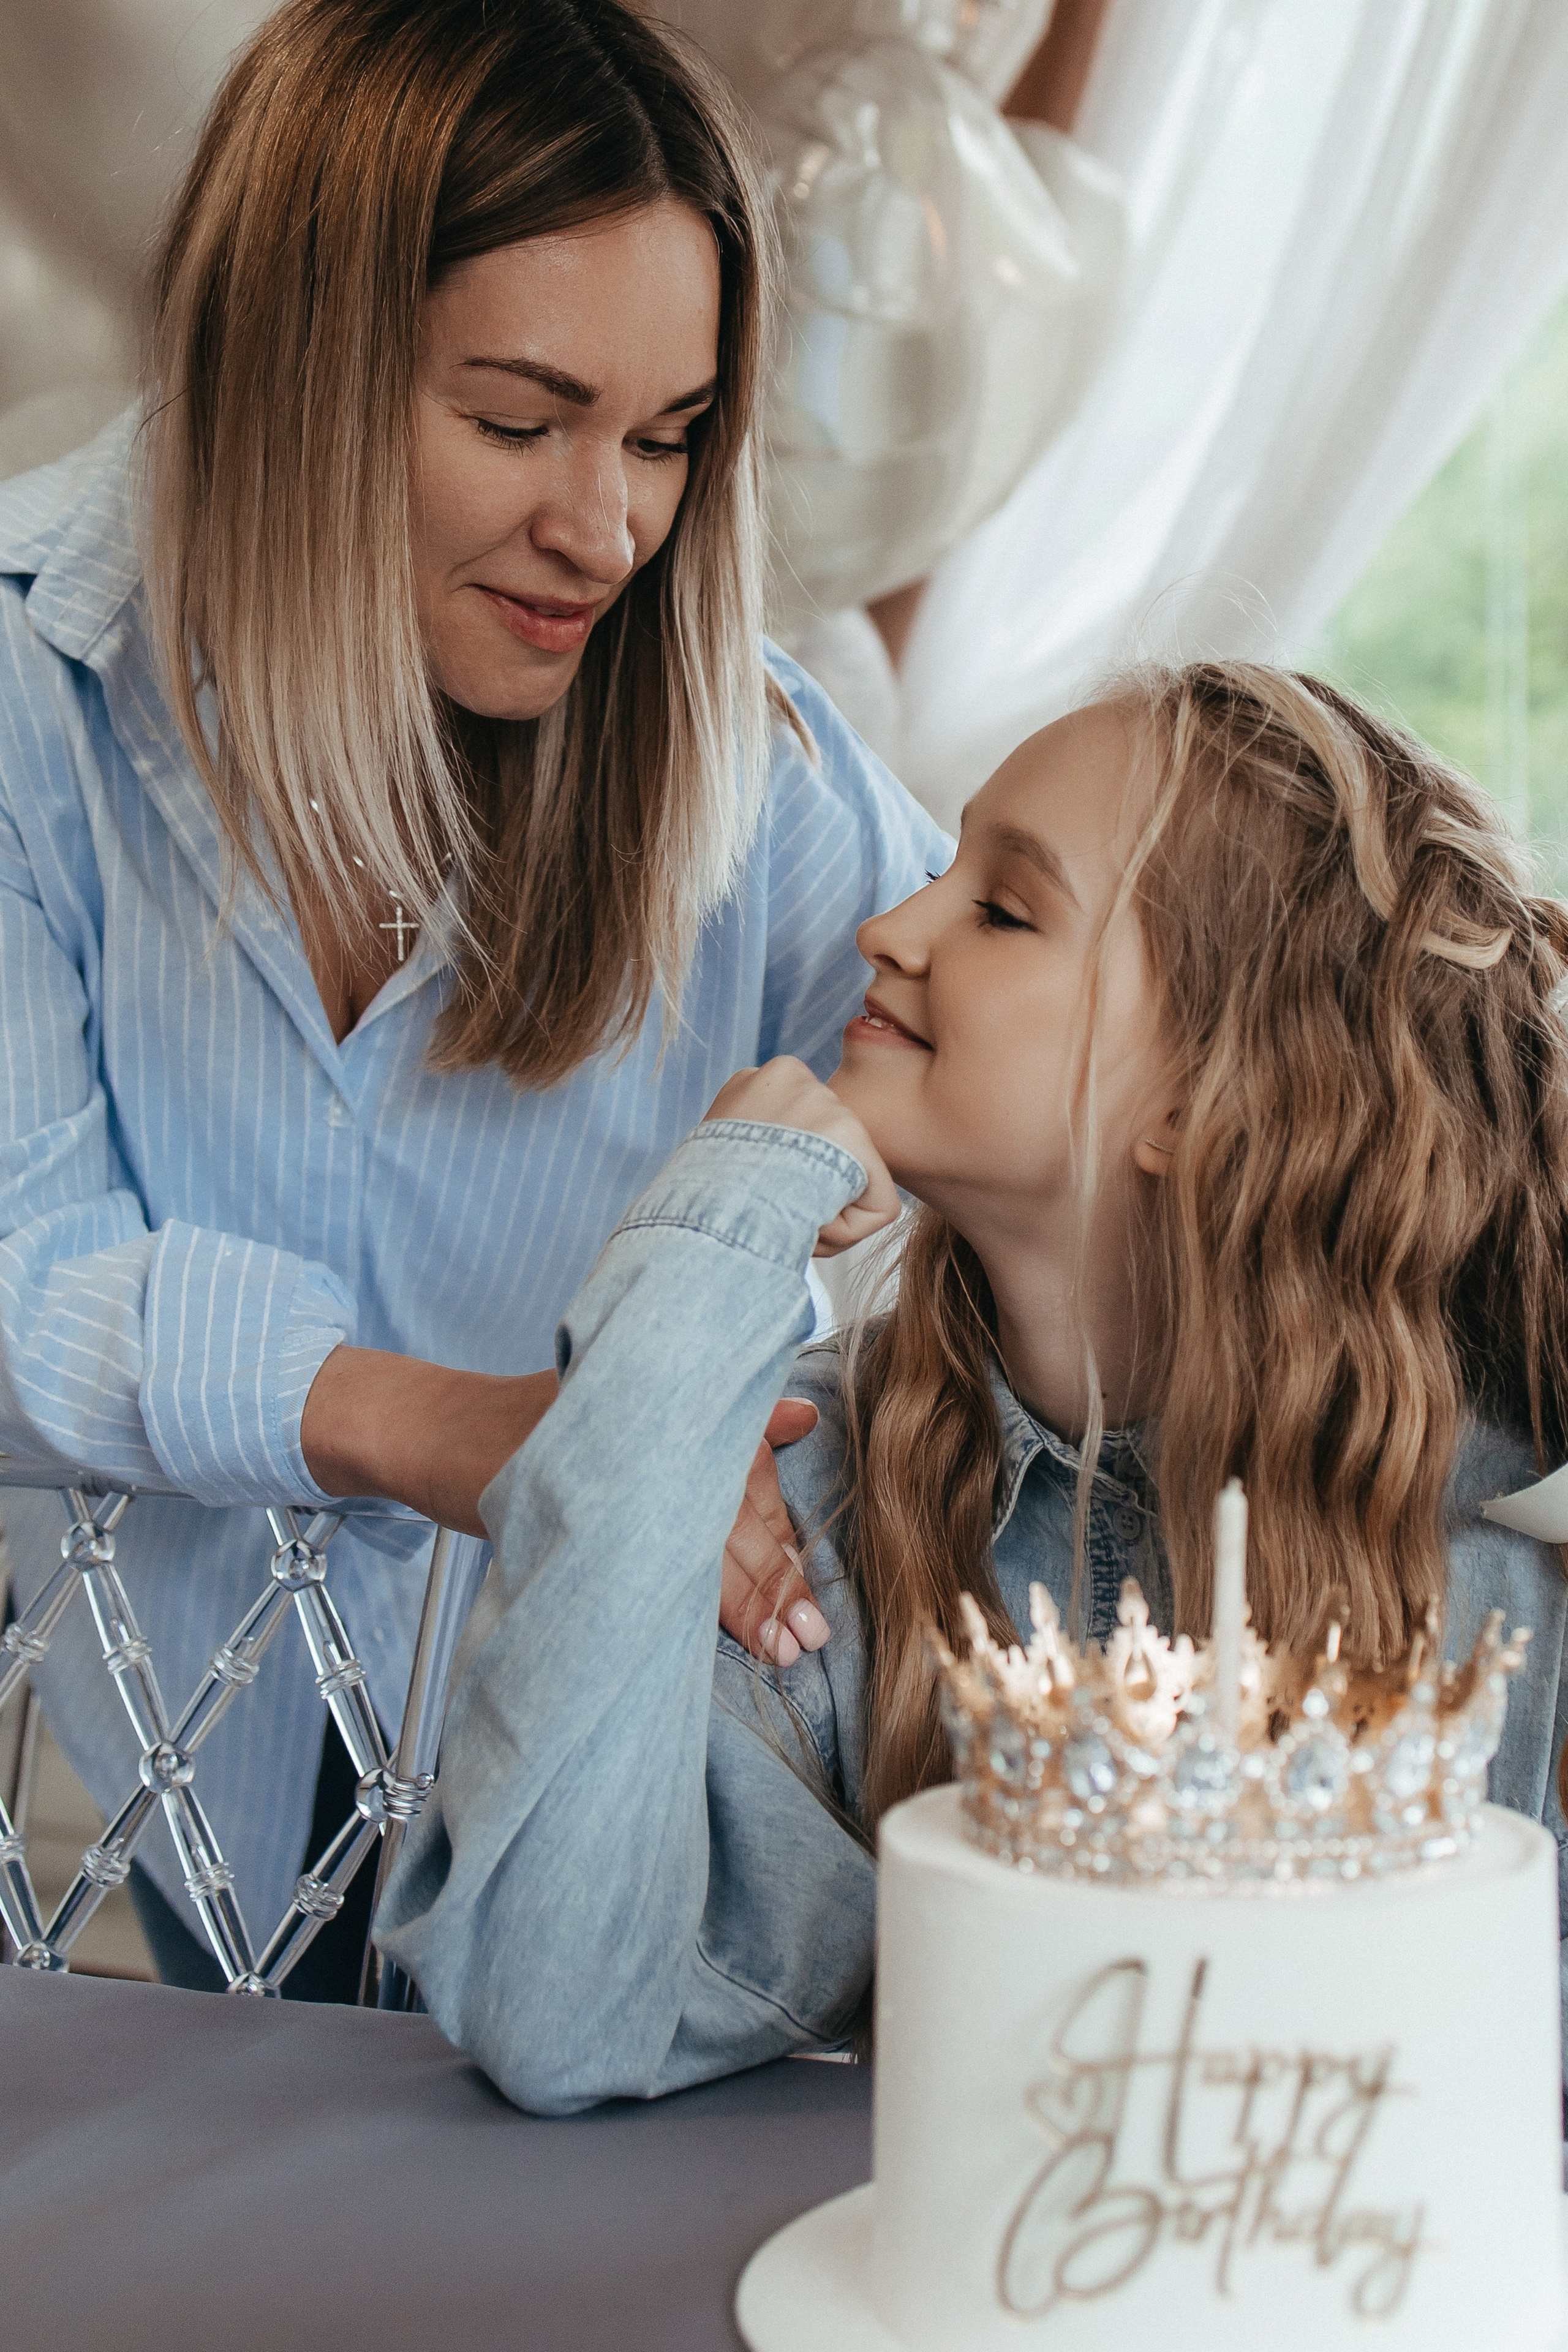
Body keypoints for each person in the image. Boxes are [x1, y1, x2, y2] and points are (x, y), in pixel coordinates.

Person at [0, 0, 945, 1995]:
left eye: (668, 439)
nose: (607, 529)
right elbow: (16, 1272)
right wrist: (467, 1435)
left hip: (642, 1824)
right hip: (175, 1826)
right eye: (520, 422)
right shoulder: (29, 700)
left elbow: (1017, 1025)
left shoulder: (745, 764)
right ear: (292, 374)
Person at [377, 660, 1568, 2113]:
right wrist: (714, 1234)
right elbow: (553, 2006)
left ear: (1208, 1100)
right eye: (941, 872)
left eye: (1002, 910)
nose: (885, 928)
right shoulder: (810, 1500)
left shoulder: (1520, 1543)